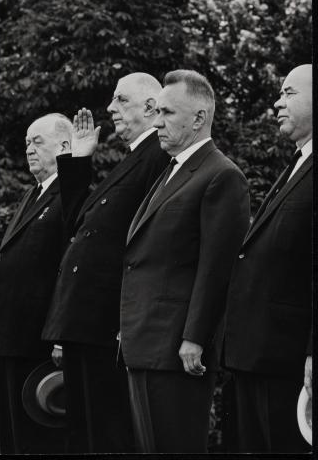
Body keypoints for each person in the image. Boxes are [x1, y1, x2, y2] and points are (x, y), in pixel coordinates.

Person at [119, 69, 250, 453]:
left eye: (167, 113)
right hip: (145, 341)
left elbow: (216, 267)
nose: (157, 121)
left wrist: (194, 338)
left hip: (178, 349)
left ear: (198, 118)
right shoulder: (171, 172)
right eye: (156, 111)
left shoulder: (221, 175)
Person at [42, 73, 169, 453]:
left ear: (150, 107)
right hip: (86, 321)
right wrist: (80, 160)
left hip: (108, 322)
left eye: (120, 100)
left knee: (108, 434)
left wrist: (124, 322)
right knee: (83, 433)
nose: (110, 108)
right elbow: (80, 223)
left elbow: (150, 245)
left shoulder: (159, 156)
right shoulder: (133, 159)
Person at [223, 64, 312, 452]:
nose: (278, 103)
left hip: (288, 360)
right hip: (253, 353)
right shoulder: (296, 164)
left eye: (289, 93)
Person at [0, 113, 72, 453]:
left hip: (40, 342)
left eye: (38, 142)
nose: (29, 149)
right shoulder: (32, 194)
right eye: (27, 142)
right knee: (12, 436)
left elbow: (69, 269)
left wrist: (60, 336)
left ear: (65, 146)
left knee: (38, 439)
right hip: (11, 337)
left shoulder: (71, 195)